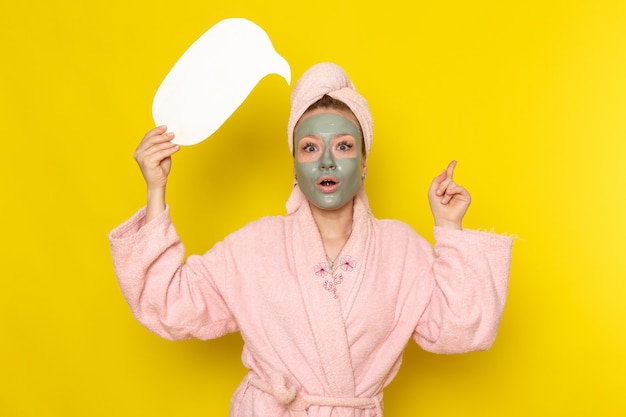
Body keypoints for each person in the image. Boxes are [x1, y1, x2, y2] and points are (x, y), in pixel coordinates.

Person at [109, 62, 513, 417]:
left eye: (343, 145)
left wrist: (450, 229)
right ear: (295, 166)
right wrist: (156, 189)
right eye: (309, 147)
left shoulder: (401, 250)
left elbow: (462, 328)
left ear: (365, 161)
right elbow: (167, 303)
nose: (326, 160)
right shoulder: (253, 247)